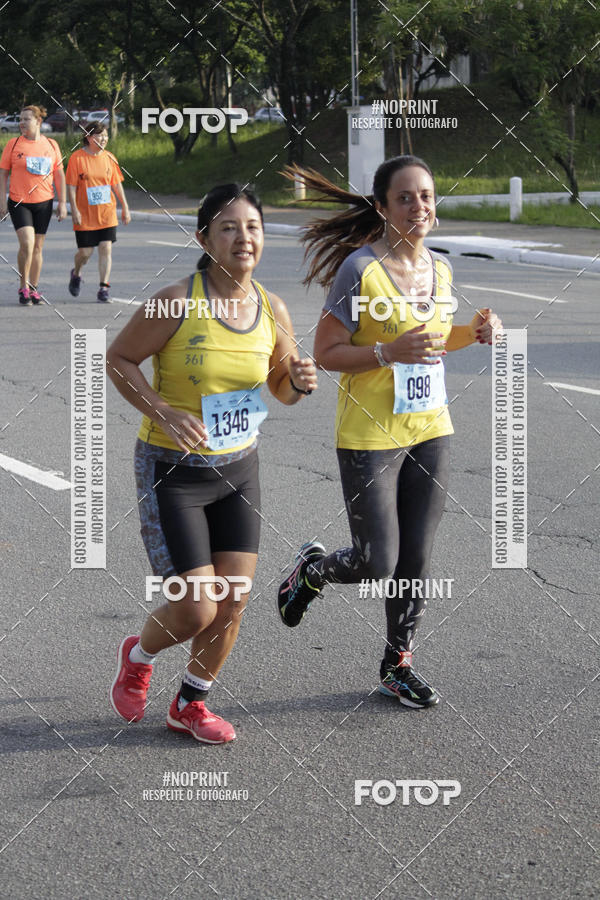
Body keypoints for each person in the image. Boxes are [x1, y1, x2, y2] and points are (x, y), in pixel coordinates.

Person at [277, 156, 502, 709]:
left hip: (431, 426)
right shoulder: (361, 269)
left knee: (415, 559)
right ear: (382, 208)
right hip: (370, 435)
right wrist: (385, 352)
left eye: (426, 195)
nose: (419, 206)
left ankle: (397, 664)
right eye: (405, 198)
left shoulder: (441, 270)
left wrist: (473, 333)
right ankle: (313, 570)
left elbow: (430, 340)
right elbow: (326, 353)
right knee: (377, 560)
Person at [107, 183, 317, 743]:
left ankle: (190, 704)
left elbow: (281, 388)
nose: (242, 238)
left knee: (233, 603)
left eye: (252, 227)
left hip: (239, 469)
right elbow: (119, 358)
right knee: (197, 608)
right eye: (228, 228)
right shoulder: (177, 299)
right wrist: (165, 410)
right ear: (204, 239)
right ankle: (140, 652)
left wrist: (298, 382)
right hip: (172, 471)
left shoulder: (272, 308)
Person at [0, 105, 67, 305]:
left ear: (38, 121)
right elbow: (3, 174)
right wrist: (1, 201)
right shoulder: (13, 144)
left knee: (38, 247)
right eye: (20, 119)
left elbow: (59, 174)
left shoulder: (52, 145)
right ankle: (23, 286)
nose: (21, 123)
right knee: (27, 244)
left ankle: (34, 288)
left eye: (26, 119)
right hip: (19, 201)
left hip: (44, 202)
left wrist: (62, 203)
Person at [65, 123, 130, 303]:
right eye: (99, 136)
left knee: (105, 248)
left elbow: (116, 184)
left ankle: (103, 288)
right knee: (85, 253)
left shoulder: (110, 158)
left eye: (106, 136)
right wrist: (74, 210)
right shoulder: (77, 158)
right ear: (88, 137)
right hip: (85, 215)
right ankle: (76, 272)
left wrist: (125, 206)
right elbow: (71, 188)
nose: (104, 139)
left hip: (107, 213)